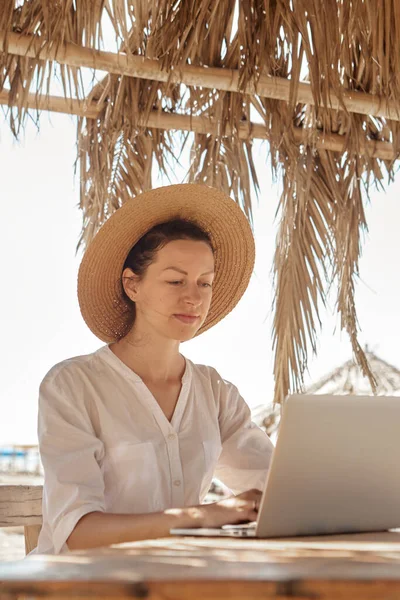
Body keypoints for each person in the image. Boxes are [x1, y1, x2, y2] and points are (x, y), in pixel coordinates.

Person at [35, 184, 274, 554]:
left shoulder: (215, 392)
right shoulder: (72, 386)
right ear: (132, 285)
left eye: (205, 283)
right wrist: (202, 516)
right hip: (80, 588)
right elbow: (77, 531)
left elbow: (276, 487)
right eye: (175, 280)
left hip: (174, 582)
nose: (193, 297)